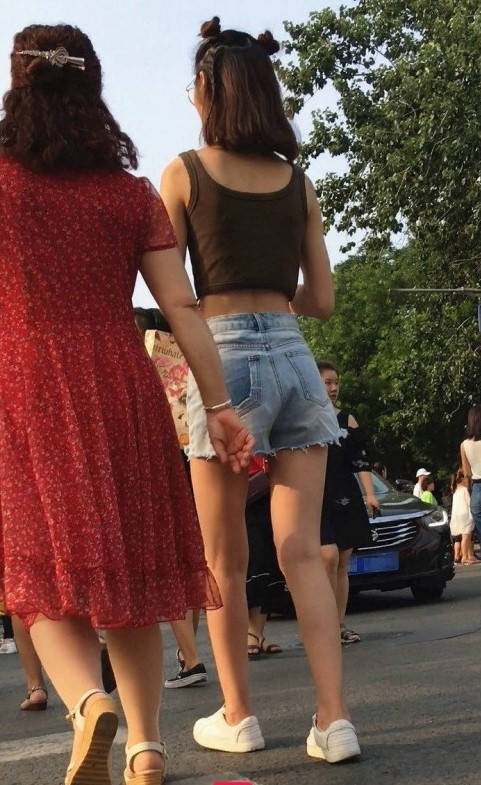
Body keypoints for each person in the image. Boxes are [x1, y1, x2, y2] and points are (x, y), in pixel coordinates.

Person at [0, 24, 254, 785]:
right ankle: (145, 747)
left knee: (39, 569)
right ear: (94, 87)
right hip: (120, 385)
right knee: (133, 574)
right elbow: (180, 307)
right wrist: (218, 405)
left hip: (24, 387)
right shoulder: (130, 194)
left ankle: (88, 703)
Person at [160, 16, 360, 763]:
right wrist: (277, 307)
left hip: (223, 358)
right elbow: (322, 300)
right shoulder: (297, 183)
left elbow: (174, 296)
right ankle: (334, 721)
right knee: (303, 551)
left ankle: (238, 714)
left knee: (225, 558)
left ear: (208, 91)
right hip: (296, 358)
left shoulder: (184, 173)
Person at [317, 362, 379, 645]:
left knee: (342, 561)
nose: (333, 388)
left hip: (345, 494)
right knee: (327, 557)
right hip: (316, 495)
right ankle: (324, 623)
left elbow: (361, 462)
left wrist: (370, 494)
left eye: (336, 382)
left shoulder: (347, 419)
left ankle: (338, 624)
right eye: (327, 382)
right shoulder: (305, 418)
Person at [246, 457, 284, 658]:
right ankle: (248, 633)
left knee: (266, 562)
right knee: (247, 564)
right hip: (235, 483)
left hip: (267, 486)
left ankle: (257, 633)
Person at [461, 404, 481, 551]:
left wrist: (469, 491)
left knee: (477, 515)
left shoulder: (464, 445)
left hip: (477, 488)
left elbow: (467, 473)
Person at [449, 469, 476, 565]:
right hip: (465, 515)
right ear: (462, 479)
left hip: (457, 516)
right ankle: (464, 557)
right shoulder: (464, 490)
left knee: (463, 537)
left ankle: (466, 556)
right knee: (466, 536)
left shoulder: (455, 491)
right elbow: (469, 503)